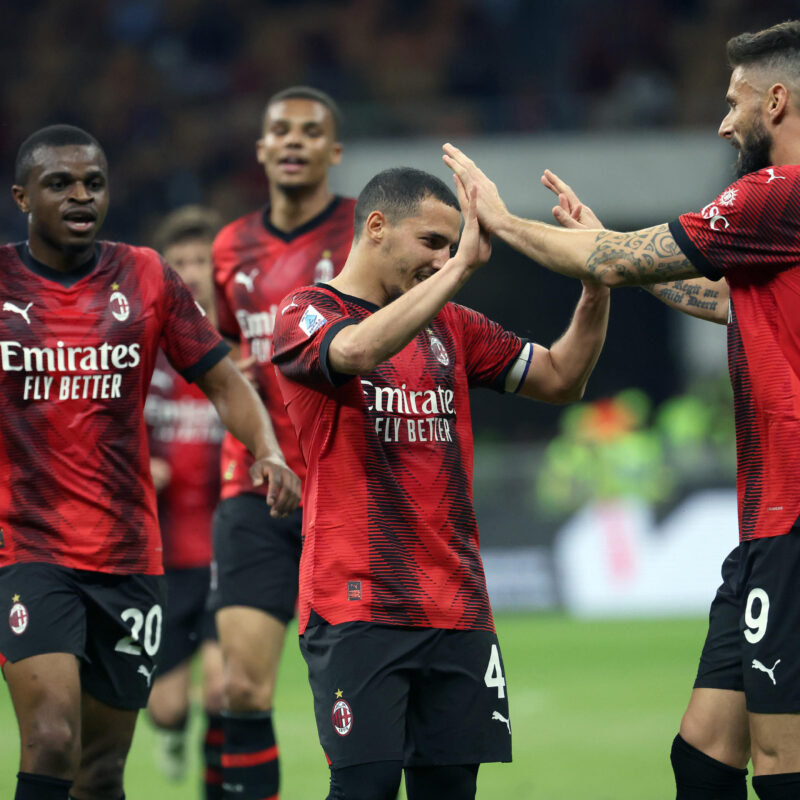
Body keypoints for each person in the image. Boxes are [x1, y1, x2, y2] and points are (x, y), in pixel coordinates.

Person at [443, 18, 800, 800]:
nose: (721, 119)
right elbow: (718, 297)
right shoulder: (780, 229)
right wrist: (611, 246)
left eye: (734, 100)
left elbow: (615, 261)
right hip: (764, 530)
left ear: (776, 101)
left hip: (793, 520)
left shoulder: (778, 193)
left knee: (781, 763)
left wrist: (503, 223)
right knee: (704, 757)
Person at [270, 166, 610, 800]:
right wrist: (461, 272)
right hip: (357, 607)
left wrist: (596, 284)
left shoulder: (453, 327)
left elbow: (563, 377)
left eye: (452, 248)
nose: (445, 259)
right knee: (363, 791)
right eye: (433, 242)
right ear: (376, 227)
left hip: (457, 606)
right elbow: (354, 354)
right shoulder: (305, 312)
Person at [0, 124, 300, 800]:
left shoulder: (146, 276)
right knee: (51, 740)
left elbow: (225, 379)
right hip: (28, 548)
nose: (81, 195)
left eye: (93, 183)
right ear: (23, 196)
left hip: (130, 558)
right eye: (60, 184)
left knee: (101, 772)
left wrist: (269, 449)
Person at [210, 85, 355, 799]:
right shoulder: (228, 247)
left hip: (346, 491)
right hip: (256, 489)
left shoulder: (366, 231)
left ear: (334, 151)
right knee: (240, 686)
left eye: (309, 131)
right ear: (262, 148)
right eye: (280, 130)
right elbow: (230, 352)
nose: (293, 141)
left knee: (351, 694)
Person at [144, 206, 226, 792]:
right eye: (181, 264)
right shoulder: (142, 356)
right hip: (163, 564)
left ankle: (218, 782)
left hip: (230, 554)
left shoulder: (239, 357)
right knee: (168, 706)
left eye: (203, 261)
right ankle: (171, 735)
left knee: (224, 690)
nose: (193, 273)